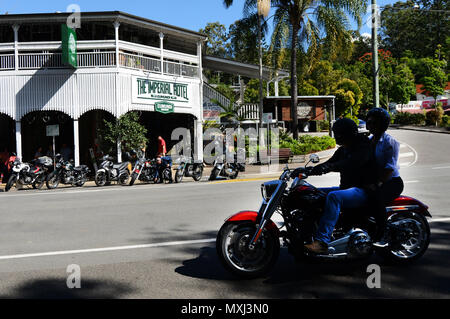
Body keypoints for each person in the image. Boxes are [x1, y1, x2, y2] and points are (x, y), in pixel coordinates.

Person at [297, 118, 376, 254]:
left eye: (338, 134)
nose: (336, 137)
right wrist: (307, 170)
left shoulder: (363, 146)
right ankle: (306, 235)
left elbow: (350, 163)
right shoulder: (343, 149)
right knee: (311, 193)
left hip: (362, 190)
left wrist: (330, 167)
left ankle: (322, 241)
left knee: (334, 197)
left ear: (347, 133)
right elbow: (329, 162)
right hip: (347, 189)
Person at [365, 108, 403, 247]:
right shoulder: (368, 140)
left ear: (383, 125)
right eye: (369, 122)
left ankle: (383, 232)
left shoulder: (390, 142)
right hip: (375, 180)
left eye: (374, 123)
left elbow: (390, 167)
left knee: (376, 198)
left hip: (391, 182)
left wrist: (378, 184)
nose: (370, 125)